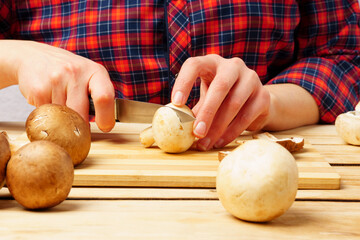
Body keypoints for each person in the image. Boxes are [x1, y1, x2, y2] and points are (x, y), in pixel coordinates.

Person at [0, 0, 359, 151]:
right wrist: (17, 55)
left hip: (249, 153)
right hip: (76, 180)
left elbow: (343, 55)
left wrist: (269, 103)